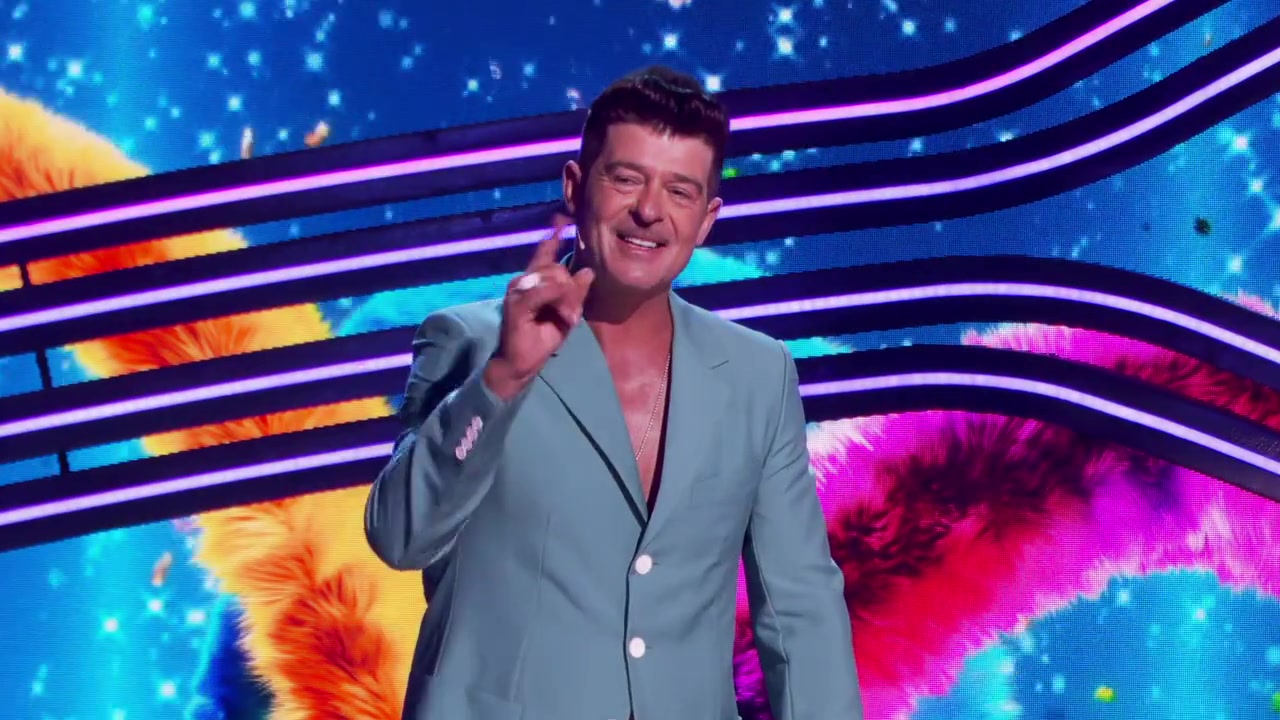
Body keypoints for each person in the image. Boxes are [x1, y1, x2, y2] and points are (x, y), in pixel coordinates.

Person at [364, 65, 863, 720]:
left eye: (679, 191)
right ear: (575, 187)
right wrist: (503, 378)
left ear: (706, 219)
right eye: (626, 179)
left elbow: (800, 609)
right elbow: (399, 538)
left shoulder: (758, 373)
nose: (649, 210)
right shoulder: (469, 341)